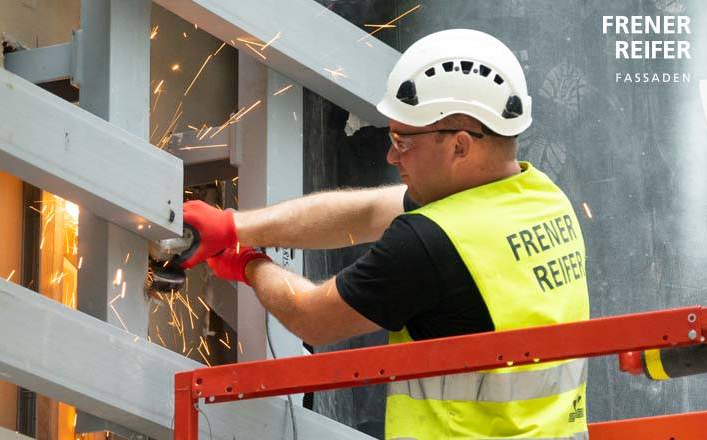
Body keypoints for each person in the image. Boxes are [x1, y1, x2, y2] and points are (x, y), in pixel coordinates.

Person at [180, 29, 590, 440]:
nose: (392, 155)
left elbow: (312, 317)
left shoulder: (432, 243)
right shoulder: (543, 198)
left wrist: (248, 263)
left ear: (460, 147)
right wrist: (234, 226)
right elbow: (367, 212)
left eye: (403, 140)